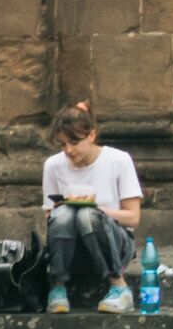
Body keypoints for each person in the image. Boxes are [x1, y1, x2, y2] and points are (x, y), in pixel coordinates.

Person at [38, 102, 146, 314]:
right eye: (62, 144)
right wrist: (64, 207)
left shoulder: (118, 160)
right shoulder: (53, 165)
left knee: (87, 214)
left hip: (114, 244)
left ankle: (119, 286)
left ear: (92, 136)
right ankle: (58, 286)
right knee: (63, 214)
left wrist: (99, 210)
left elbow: (133, 218)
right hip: (72, 247)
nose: (69, 150)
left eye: (74, 142)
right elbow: (49, 215)